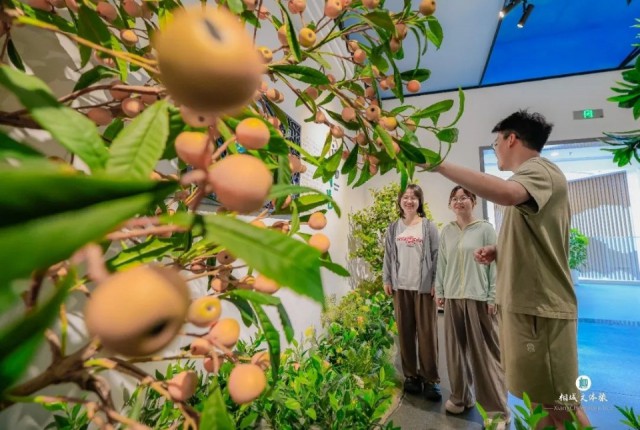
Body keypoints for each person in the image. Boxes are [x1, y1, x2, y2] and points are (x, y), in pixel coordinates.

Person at [424, 110, 590, 429]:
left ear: (510, 138)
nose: (496, 149)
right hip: (527, 309)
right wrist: (498, 251)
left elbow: (507, 193)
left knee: (561, 406)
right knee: (539, 402)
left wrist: (440, 165)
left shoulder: (539, 171)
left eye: (496, 142)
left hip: (540, 310)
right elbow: (539, 236)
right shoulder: (531, 181)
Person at [435, 186, 509, 426]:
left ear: (473, 202)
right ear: (450, 204)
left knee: (486, 357)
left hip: (479, 298)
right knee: (455, 354)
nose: (459, 202)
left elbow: (495, 265)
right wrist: (440, 290)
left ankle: (497, 411)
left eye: (464, 198)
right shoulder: (447, 231)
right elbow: (442, 263)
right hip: (453, 297)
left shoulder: (485, 229)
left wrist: (492, 296)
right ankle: (461, 397)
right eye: (454, 199)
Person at [382, 184, 442, 401]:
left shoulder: (428, 227)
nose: (409, 201)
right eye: (405, 197)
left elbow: (437, 256)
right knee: (405, 333)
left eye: (413, 198)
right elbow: (388, 255)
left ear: (419, 201)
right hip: (401, 288)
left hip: (423, 289)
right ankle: (411, 376)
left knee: (427, 335)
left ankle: (431, 379)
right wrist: (387, 279)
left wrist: (436, 283)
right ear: (400, 201)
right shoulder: (393, 228)